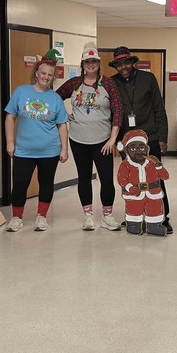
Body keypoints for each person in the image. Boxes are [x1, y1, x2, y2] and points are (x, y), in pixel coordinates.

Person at [56, 46, 124, 231]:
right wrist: (64, 115)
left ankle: (107, 216)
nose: (91, 65)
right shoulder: (74, 83)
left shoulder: (108, 84)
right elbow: (55, 98)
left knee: (106, 179)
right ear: (82, 64)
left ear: (99, 64)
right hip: (78, 140)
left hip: (103, 141)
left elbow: (118, 110)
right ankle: (88, 216)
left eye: (94, 61)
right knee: (84, 178)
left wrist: (112, 139)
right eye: (87, 62)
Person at [109, 46, 173, 234]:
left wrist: (162, 137)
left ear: (132, 62)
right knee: (131, 179)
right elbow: (110, 113)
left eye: (126, 62)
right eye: (119, 64)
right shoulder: (112, 83)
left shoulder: (148, 79)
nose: (123, 67)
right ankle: (133, 216)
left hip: (149, 138)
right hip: (126, 142)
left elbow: (159, 108)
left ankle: (163, 218)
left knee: (154, 179)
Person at [4, 50, 69, 232]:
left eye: (50, 75)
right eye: (43, 73)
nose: (46, 77)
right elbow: (10, 117)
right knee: (20, 184)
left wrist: (64, 149)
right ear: (37, 74)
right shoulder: (21, 92)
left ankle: (42, 216)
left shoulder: (55, 98)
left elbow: (62, 125)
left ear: (52, 77)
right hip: (23, 150)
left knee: (46, 184)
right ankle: (16, 218)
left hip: (50, 151)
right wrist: (10, 143)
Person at [117, 129, 169, 236]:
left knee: (154, 209)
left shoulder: (152, 160)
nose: (138, 151)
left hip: (153, 194)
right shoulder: (126, 164)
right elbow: (122, 179)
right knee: (133, 209)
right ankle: (133, 224)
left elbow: (165, 176)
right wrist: (130, 187)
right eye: (133, 148)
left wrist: (159, 167)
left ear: (146, 148)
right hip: (134, 194)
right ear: (126, 150)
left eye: (141, 147)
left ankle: (154, 226)